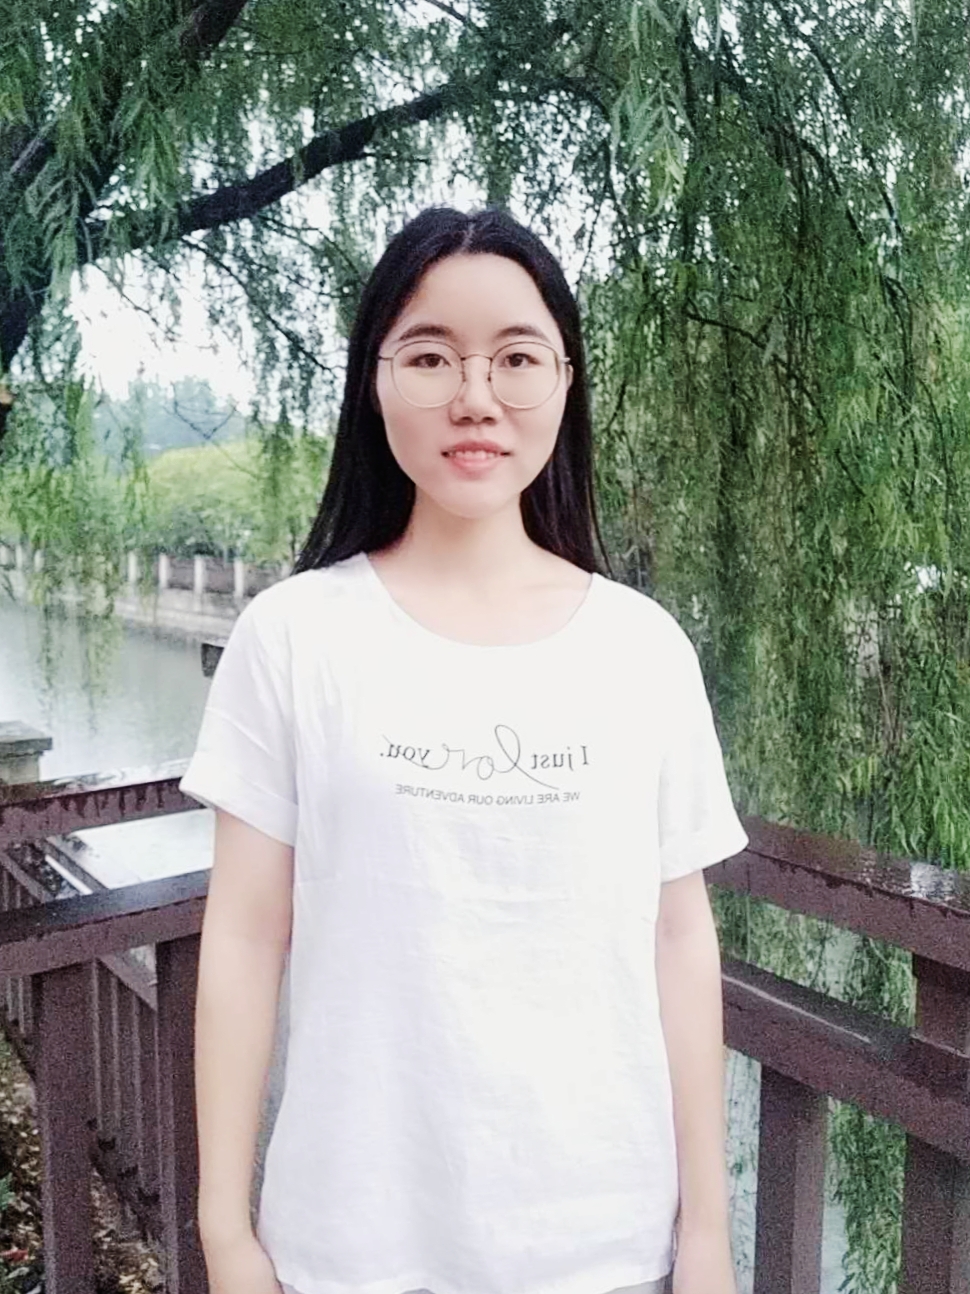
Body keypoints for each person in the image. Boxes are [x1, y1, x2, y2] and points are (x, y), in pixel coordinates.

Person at [182, 205, 749, 1294]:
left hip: (603, 1246)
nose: (476, 396)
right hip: (348, 1242)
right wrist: (225, 1234)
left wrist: (708, 1237)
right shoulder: (293, 637)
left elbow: (679, 938)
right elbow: (246, 935)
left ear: (565, 383)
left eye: (517, 358)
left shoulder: (641, 649)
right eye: (432, 355)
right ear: (374, 379)